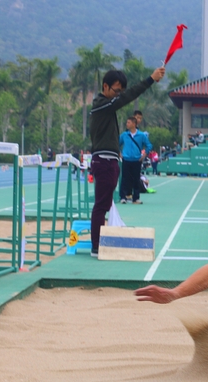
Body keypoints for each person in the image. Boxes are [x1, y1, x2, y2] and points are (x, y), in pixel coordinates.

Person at [89, 66, 165, 257]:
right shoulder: (100, 104)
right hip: (104, 160)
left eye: (120, 92)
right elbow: (127, 97)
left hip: (111, 160)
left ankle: (99, 242)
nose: (118, 96)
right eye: (116, 91)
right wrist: (150, 80)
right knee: (101, 204)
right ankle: (96, 245)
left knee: (105, 203)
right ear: (105, 87)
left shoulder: (107, 105)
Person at [119, 116, 152, 205]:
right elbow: (117, 143)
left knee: (136, 179)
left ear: (134, 124)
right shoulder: (124, 135)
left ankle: (136, 198)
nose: (127, 124)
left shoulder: (141, 135)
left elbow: (149, 145)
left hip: (137, 160)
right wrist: (120, 154)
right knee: (125, 178)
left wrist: (144, 155)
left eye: (128, 122)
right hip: (126, 160)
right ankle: (123, 197)